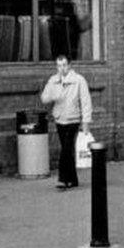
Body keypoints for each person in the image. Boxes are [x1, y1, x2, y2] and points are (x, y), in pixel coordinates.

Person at [40, 54, 92, 189]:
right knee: (67, 150)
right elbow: (44, 98)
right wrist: (52, 96)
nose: (61, 68)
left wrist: (86, 123)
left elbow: (86, 102)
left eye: (63, 65)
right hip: (59, 119)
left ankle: (63, 179)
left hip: (73, 119)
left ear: (69, 65)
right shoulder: (53, 80)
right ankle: (73, 180)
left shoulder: (79, 80)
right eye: (58, 65)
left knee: (66, 149)